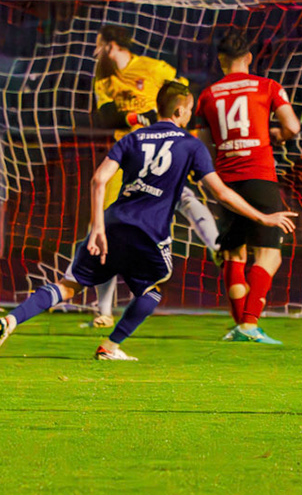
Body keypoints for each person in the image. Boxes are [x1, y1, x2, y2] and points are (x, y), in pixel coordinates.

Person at [0, 81, 296, 363]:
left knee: (68, 286)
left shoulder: (133, 138)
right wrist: (263, 216)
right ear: (182, 110)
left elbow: (99, 180)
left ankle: (11, 321)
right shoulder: (191, 145)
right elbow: (222, 194)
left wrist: (97, 227)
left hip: (112, 223)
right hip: (149, 233)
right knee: (152, 291)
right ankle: (110, 346)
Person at [88, 24, 219, 327]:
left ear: (111, 45)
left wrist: (181, 126)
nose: (96, 52)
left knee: (185, 197)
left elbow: (182, 95)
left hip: (161, 152)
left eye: (98, 45)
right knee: (107, 228)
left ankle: (217, 249)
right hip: (128, 156)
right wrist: (133, 117)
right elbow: (104, 115)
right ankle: (104, 310)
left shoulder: (154, 68)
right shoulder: (104, 79)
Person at [195, 28, 301, 343]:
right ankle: (250, 323)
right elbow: (292, 126)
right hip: (259, 174)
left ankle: (240, 324)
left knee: (233, 253)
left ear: (221, 61)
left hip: (226, 179)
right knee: (270, 253)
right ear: (249, 58)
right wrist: (277, 136)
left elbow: (204, 145)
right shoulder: (267, 86)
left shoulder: (209, 94)